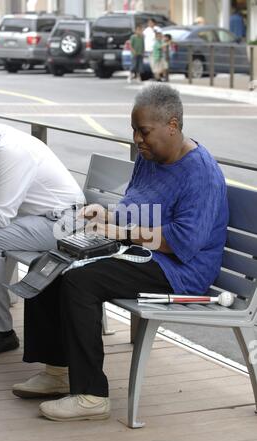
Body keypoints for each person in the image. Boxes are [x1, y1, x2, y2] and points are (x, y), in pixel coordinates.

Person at [13, 84, 229, 422]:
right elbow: (136, 208)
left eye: (144, 131)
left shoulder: (201, 172)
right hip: (143, 253)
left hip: (179, 271)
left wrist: (122, 232)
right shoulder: (151, 156)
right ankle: (57, 372)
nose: (137, 139)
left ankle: (91, 395)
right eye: (134, 131)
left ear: (172, 125)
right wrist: (105, 214)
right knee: (49, 263)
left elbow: (182, 242)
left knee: (81, 282)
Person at [0, 97, 84, 357]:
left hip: (62, 223)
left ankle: (1, 332)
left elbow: (0, 215)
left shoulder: (8, 149)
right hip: (33, 219)